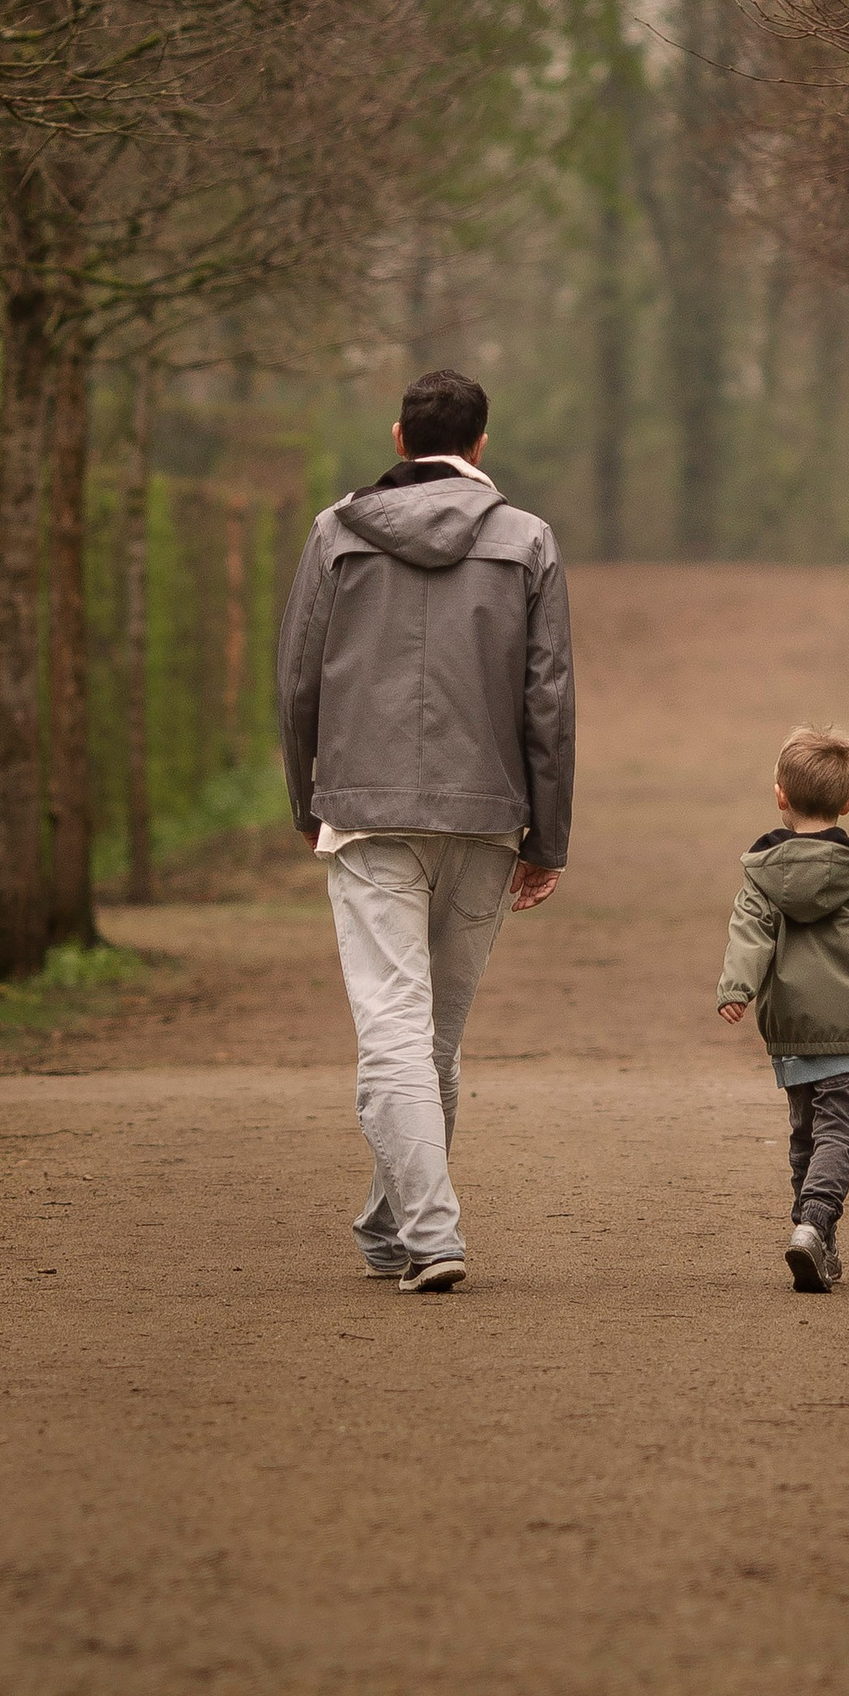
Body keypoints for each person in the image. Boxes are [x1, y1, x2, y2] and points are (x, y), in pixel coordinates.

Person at [275, 368, 573, 1295]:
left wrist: (308, 801)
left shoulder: (335, 534)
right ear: (480, 444)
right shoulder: (528, 540)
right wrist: (547, 836)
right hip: (485, 814)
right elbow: (549, 701)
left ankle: (425, 1230)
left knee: (396, 1030)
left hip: (366, 811)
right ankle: (395, 1227)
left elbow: (298, 684)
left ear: (398, 436)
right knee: (428, 1039)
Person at [716, 724, 849, 1293]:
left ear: (780, 795)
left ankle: (813, 1233)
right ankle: (816, 1223)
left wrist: (736, 988)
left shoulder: (761, 871)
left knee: (805, 1132)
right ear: (848, 802)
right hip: (845, 1020)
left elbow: (749, 934)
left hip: (790, 1022)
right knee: (838, 1131)